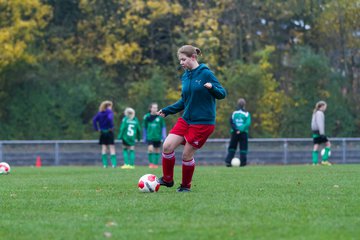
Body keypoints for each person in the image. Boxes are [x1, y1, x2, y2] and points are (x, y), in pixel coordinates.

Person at [157, 45, 226, 192]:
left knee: (187, 154)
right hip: (186, 119)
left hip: (203, 122)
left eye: (183, 59)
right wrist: (168, 110)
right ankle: (167, 180)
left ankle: (185, 186)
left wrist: (211, 88)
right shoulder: (185, 76)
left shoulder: (205, 73)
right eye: (180, 60)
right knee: (167, 146)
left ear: (193, 57)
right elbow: (184, 101)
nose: (181, 63)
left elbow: (222, 93)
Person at [224, 98, 251, 167]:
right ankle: (243, 163)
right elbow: (247, 123)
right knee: (243, 148)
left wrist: (236, 129)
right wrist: (240, 130)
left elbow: (231, 122)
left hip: (234, 133)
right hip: (243, 133)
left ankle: (228, 162)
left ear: (238, 105)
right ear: (244, 105)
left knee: (232, 147)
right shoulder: (247, 114)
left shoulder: (234, 113)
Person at [92, 100, 117, 168]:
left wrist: (96, 128)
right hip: (109, 131)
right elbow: (109, 118)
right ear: (108, 106)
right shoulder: (109, 112)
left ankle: (105, 164)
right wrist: (111, 126)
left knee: (104, 148)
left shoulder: (99, 113)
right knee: (112, 148)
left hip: (102, 132)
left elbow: (94, 120)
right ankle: (114, 164)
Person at [142, 103, 167, 169]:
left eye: (156, 107)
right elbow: (144, 127)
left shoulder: (160, 117)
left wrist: (164, 136)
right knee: (150, 149)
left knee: (157, 150)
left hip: (158, 137)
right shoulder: (146, 117)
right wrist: (144, 137)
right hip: (150, 136)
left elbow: (163, 127)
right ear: (150, 108)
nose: (155, 109)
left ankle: (155, 164)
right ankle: (151, 164)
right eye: (154, 107)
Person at [311, 100, 332, 166]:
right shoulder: (320, 113)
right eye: (325, 106)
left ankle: (314, 162)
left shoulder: (315, 113)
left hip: (315, 132)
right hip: (319, 132)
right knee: (328, 144)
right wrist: (322, 133)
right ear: (322, 106)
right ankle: (324, 160)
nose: (325, 108)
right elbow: (320, 123)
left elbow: (313, 124)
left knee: (316, 146)